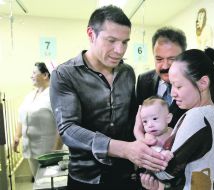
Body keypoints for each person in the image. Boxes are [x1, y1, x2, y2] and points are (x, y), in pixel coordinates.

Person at [49, 5, 168, 190]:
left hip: (126, 174)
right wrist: (125, 149)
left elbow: (132, 119)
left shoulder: (127, 72)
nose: (120, 50)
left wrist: (148, 143)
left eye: (125, 42)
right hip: (87, 178)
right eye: (111, 40)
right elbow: (68, 129)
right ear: (91, 34)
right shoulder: (65, 75)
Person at [141, 47, 214, 190]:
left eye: (178, 86)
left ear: (203, 83)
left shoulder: (197, 117)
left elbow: (167, 171)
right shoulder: (212, 113)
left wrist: (144, 161)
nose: (173, 93)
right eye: (172, 86)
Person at [135, 26, 214, 145]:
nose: (164, 66)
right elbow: (138, 120)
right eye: (159, 59)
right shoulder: (144, 81)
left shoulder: (197, 84)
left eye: (171, 59)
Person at [13, 62, 63, 179]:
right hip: (30, 150)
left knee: (48, 183)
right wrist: (17, 136)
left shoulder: (54, 95)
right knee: (37, 180)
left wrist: (55, 151)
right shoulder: (30, 95)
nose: (31, 76)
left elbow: (61, 125)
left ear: (45, 75)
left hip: (47, 152)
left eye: (34, 73)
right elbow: (21, 116)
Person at [139, 96, 175, 185]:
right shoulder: (149, 136)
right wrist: (161, 153)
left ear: (168, 118)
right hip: (156, 173)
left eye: (154, 119)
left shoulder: (173, 131)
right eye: (145, 121)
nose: (150, 125)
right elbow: (151, 150)